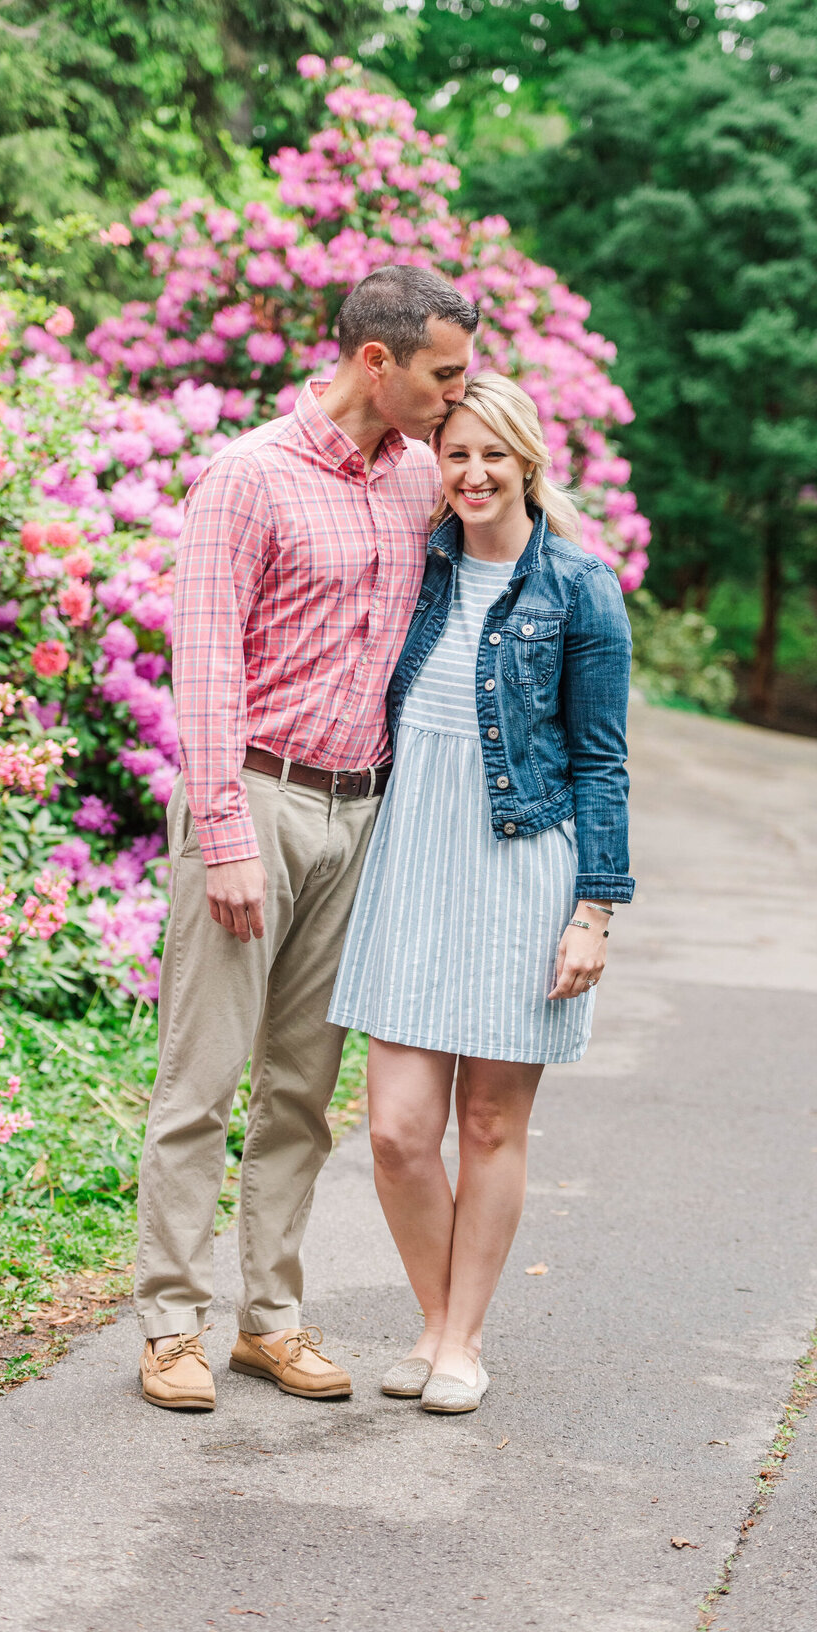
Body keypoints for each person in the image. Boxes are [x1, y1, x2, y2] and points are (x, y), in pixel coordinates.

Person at [135, 266, 478, 1412]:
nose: (457, 395)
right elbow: (206, 659)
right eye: (442, 373)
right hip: (258, 802)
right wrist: (224, 830)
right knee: (203, 1080)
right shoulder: (246, 477)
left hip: (362, 814)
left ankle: (268, 1320)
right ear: (375, 362)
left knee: (300, 1089)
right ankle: (172, 1327)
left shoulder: (423, 479)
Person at [327, 371, 634, 1414]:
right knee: (398, 1130)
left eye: (492, 453)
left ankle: (460, 1341)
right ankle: (433, 1315)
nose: (473, 472)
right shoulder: (417, 567)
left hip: (522, 867)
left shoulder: (580, 586)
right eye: (455, 453)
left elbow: (602, 761)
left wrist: (594, 909)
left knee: (492, 1122)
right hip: (414, 860)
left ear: (528, 459)